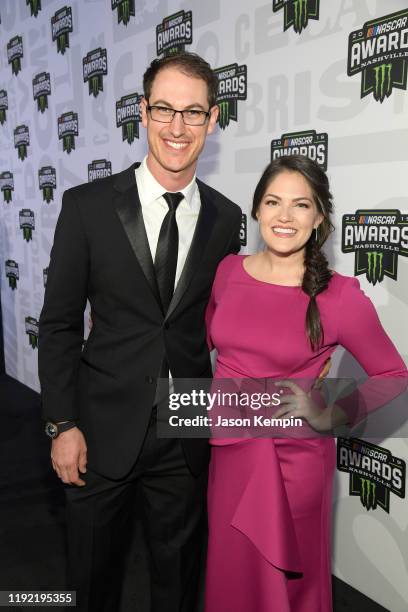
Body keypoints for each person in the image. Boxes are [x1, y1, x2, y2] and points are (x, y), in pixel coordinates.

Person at [38, 52, 242, 612]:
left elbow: (225, 320)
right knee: (92, 581)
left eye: (193, 113)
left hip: (186, 431)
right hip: (100, 429)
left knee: (177, 585)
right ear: (143, 112)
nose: (178, 128)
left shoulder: (227, 219)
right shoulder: (88, 207)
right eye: (165, 110)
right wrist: (62, 423)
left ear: (213, 119)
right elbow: (57, 325)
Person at [204, 155, 407, 612]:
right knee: (231, 572)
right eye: (273, 202)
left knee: (289, 584)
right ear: (256, 210)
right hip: (228, 451)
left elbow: (394, 374)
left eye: (301, 205)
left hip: (290, 460)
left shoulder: (339, 297)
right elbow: (199, 343)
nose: (285, 216)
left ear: (319, 217)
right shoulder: (228, 273)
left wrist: (330, 411)